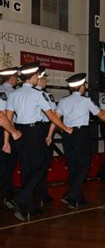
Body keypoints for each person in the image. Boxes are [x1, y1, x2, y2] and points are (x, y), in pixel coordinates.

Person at [4, 62, 71, 221]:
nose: (37, 78)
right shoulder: (37, 94)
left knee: (27, 170)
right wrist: (65, 128)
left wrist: (7, 140)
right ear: (33, 77)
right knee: (41, 167)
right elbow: (51, 116)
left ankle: (28, 208)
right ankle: (20, 197)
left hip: (19, 133)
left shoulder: (13, 94)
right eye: (37, 76)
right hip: (34, 133)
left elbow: (8, 119)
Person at [47, 73, 105, 210]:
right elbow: (101, 114)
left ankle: (77, 198)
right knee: (84, 165)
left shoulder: (63, 101)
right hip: (81, 134)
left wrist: (50, 135)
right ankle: (71, 194)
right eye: (84, 85)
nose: (85, 87)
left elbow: (55, 119)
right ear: (80, 87)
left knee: (73, 166)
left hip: (67, 135)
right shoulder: (86, 101)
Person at [0, 66, 22, 208]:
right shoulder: (12, 93)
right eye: (16, 77)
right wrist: (12, 132)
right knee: (8, 165)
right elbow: (3, 115)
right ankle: (8, 196)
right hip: (7, 129)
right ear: (12, 78)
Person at [35, 67, 57, 204]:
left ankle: (40, 192)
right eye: (43, 78)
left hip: (33, 129)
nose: (45, 81)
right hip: (43, 128)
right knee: (42, 162)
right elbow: (53, 115)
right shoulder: (45, 96)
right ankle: (41, 193)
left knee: (40, 162)